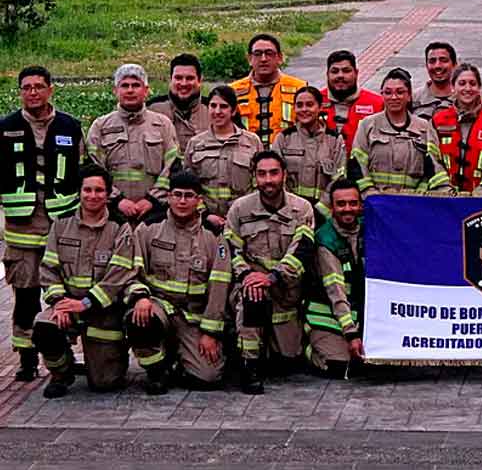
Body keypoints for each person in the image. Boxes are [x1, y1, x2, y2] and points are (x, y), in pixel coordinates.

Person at [0, 66, 86, 381]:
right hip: (22, 231)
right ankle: (26, 359)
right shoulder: (5, 127)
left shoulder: (70, 127)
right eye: (26, 87)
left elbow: (81, 171)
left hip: (60, 228)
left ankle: (61, 354)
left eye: (38, 86)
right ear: (19, 91)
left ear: (51, 89)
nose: (32, 92)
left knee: (64, 294)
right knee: (25, 296)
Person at [32, 164, 137, 398]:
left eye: (99, 190)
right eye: (87, 190)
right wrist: (59, 302)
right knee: (44, 327)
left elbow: (118, 275)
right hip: (67, 305)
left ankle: (107, 361)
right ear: (79, 192)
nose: (93, 195)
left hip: (104, 311)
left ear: (108, 194)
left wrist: (86, 303)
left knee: (105, 383)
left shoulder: (120, 228)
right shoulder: (60, 224)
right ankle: (61, 372)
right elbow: (49, 269)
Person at [124, 170, 232, 394]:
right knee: (138, 321)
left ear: (199, 200)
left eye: (189, 196)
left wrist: (210, 332)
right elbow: (131, 271)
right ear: (168, 197)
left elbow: (219, 287)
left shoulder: (213, 236)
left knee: (209, 377)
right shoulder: (149, 228)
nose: (182, 201)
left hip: (194, 316)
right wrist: (141, 297)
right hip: (158, 307)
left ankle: (179, 359)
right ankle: (157, 370)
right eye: (177, 194)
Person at [224, 151, 315, 395]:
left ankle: (270, 350)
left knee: (287, 361)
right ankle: (249, 366)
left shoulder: (302, 209)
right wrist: (246, 277)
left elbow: (302, 251)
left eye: (274, 173)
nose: (268, 180)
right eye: (262, 174)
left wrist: (272, 277)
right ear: (254, 177)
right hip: (251, 287)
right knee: (252, 299)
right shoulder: (240, 209)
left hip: (285, 290)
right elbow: (231, 250)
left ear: (284, 175)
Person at [87, 64, 179, 224]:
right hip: (112, 214)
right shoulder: (100, 126)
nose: (130, 90)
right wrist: (118, 200)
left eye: (136, 85)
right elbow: (95, 169)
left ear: (146, 90)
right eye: (125, 86)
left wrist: (152, 200)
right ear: (115, 91)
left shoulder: (163, 125)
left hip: (154, 215)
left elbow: (171, 167)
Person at [348, 68, 452, 195]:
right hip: (375, 201)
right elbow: (358, 165)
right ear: (382, 95)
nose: (394, 97)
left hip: (411, 203)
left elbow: (433, 168)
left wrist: (419, 195)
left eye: (400, 92)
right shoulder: (368, 125)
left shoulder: (424, 128)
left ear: (409, 96)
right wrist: (370, 194)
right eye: (388, 92)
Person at [307, 179, 366, 377]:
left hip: (359, 314)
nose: (347, 209)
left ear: (361, 205)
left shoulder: (369, 231)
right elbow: (336, 292)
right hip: (328, 317)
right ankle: (305, 346)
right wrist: (351, 333)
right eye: (341, 204)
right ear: (332, 208)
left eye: (353, 203)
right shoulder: (326, 240)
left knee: (374, 362)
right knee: (341, 367)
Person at [184, 85, 263, 232]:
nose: (217, 111)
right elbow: (189, 185)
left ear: (233, 111)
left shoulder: (252, 142)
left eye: (223, 106)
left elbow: (258, 183)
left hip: (244, 221)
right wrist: (205, 214)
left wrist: (243, 212)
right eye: (213, 106)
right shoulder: (196, 143)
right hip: (205, 223)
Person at [430, 63, 482, 193]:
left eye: (472, 83)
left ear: (479, 87)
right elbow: (431, 159)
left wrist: (481, 193)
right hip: (446, 200)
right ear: (452, 87)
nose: (467, 88)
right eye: (462, 83)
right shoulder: (438, 122)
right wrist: (445, 191)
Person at [271, 86, 346, 221]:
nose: (304, 109)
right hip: (289, 212)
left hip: (323, 214)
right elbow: (275, 176)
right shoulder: (284, 138)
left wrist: (322, 208)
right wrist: (290, 207)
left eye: (310, 105)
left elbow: (339, 178)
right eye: (299, 105)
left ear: (320, 107)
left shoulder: (334, 140)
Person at [231, 33, 308, 149]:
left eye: (269, 53)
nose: (263, 59)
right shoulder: (233, 91)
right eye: (257, 54)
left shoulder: (299, 87)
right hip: (246, 156)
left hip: (287, 155)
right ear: (249, 59)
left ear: (280, 58)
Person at [320, 50, 384, 155]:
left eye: (346, 71)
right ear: (327, 74)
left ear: (356, 73)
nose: (340, 75)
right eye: (334, 71)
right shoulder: (314, 101)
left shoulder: (377, 103)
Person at [148, 53, 210, 155]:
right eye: (178, 78)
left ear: (200, 80)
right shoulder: (152, 109)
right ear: (170, 80)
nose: (184, 83)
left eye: (189, 78)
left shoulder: (215, 109)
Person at [411, 41, 457, 121]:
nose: (437, 66)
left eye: (443, 60)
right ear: (426, 65)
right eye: (432, 61)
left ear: (454, 65)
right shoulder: (413, 99)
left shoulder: (464, 99)